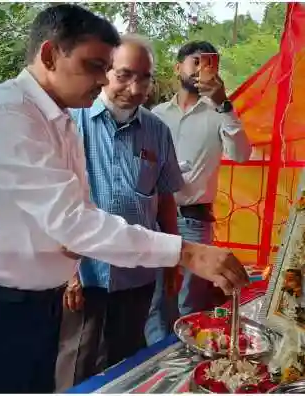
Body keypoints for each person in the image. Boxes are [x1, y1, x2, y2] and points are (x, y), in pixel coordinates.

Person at [0, 4, 248, 393]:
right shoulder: (6, 112)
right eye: (94, 66)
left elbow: (75, 221)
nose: (103, 79)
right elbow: (74, 222)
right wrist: (187, 252)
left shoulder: (59, 117)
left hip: (34, 303)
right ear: (50, 55)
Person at [55, 35, 183, 391]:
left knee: (126, 363)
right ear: (104, 73)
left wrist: (174, 261)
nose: (136, 87)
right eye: (125, 75)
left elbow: (165, 199)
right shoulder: (70, 123)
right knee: (75, 366)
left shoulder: (157, 131)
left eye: (144, 77)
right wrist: (69, 274)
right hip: (84, 275)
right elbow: (54, 204)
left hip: (137, 274)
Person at [146, 41, 253, 345]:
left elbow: (242, 154)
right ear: (177, 67)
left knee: (188, 303)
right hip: (153, 218)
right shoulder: (156, 114)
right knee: (155, 302)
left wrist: (224, 105)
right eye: (194, 62)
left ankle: (185, 372)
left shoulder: (219, 112)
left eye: (208, 63)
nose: (200, 69)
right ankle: (156, 375)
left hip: (193, 220)